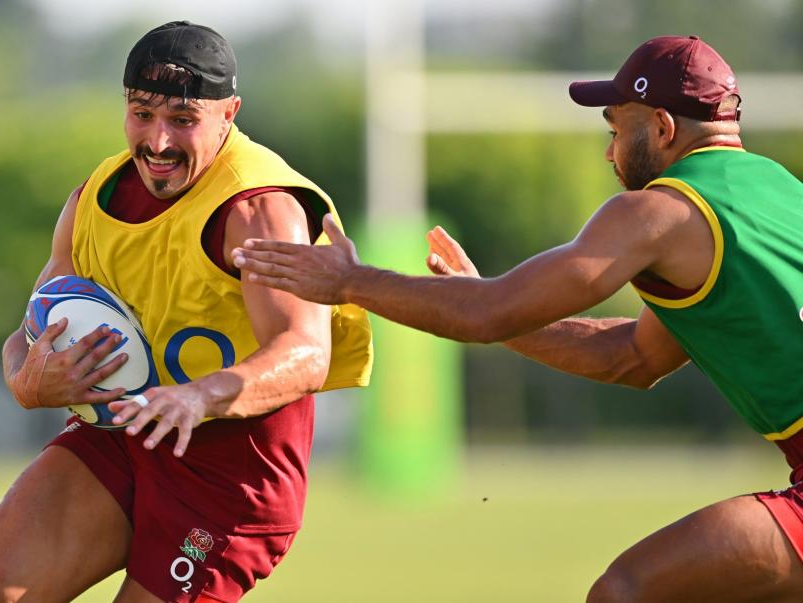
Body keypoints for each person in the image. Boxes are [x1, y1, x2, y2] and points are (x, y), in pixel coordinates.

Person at [232, 35, 803, 602]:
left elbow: (488, 313)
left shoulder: (659, 210)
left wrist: (349, 281)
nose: (609, 153)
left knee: (626, 592)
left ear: (661, 127)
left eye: (614, 129)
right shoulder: (778, 190)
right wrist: (499, 315)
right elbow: (631, 356)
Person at [0, 21, 372, 603]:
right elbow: (28, 330)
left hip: (228, 480)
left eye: (183, 119)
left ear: (230, 114)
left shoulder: (259, 209)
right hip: (120, 442)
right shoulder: (95, 196)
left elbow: (304, 353)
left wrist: (197, 396)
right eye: (142, 113)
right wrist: (27, 382)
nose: (158, 141)